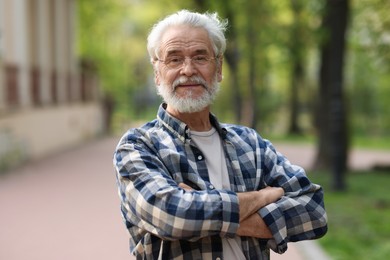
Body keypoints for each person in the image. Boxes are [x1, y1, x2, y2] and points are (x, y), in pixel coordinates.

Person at [113, 9, 327, 260]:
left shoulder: (250, 143)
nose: (188, 69)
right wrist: (261, 197)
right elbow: (174, 216)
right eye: (174, 59)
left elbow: (314, 211)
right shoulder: (138, 146)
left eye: (200, 57)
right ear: (157, 72)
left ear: (219, 67)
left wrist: (201, 210)